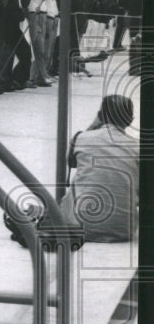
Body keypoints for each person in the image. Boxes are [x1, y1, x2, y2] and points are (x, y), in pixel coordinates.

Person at [59, 95, 139, 243]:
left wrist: (93, 126)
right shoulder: (138, 147)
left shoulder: (81, 138)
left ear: (101, 116)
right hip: (124, 230)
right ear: (130, 120)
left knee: (83, 175)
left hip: (81, 228)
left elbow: (71, 163)